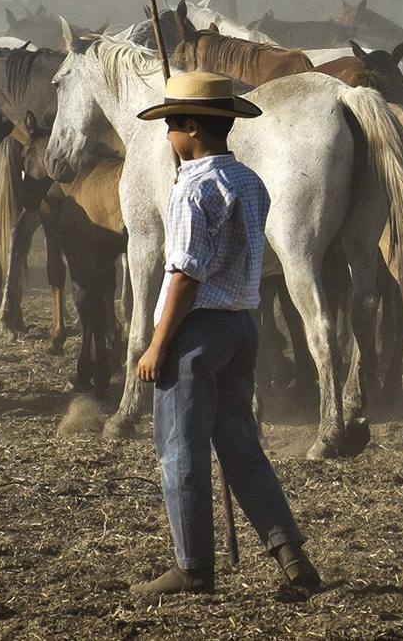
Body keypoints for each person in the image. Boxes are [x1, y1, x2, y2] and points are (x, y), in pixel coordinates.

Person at [129, 71, 320, 597]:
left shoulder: (192, 189)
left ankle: (193, 567)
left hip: (195, 335)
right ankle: (289, 553)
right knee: (240, 446)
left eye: (171, 124)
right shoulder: (248, 182)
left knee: (180, 450)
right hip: (241, 325)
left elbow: (186, 275)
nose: (167, 134)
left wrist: (158, 345)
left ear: (191, 127)